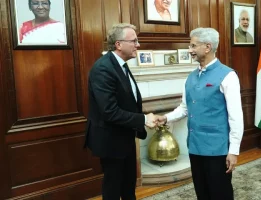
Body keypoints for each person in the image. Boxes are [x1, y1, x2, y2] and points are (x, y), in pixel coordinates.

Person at [157, 27, 244, 200]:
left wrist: (233, 151)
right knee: (202, 192)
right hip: (195, 147)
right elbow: (184, 108)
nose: (190, 50)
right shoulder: (190, 77)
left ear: (207, 47)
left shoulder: (228, 76)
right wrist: (166, 118)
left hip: (217, 149)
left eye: (193, 46)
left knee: (220, 193)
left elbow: (236, 117)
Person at [84, 23, 157, 200]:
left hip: (124, 136)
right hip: (110, 140)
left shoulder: (120, 65)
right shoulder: (103, 68)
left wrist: (145, 116)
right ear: (118, 44)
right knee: (113, 187)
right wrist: (143, 120)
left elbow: (127, 101)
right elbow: (109, 111)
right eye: (134, 41)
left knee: (128, 184)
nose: (138, 45)